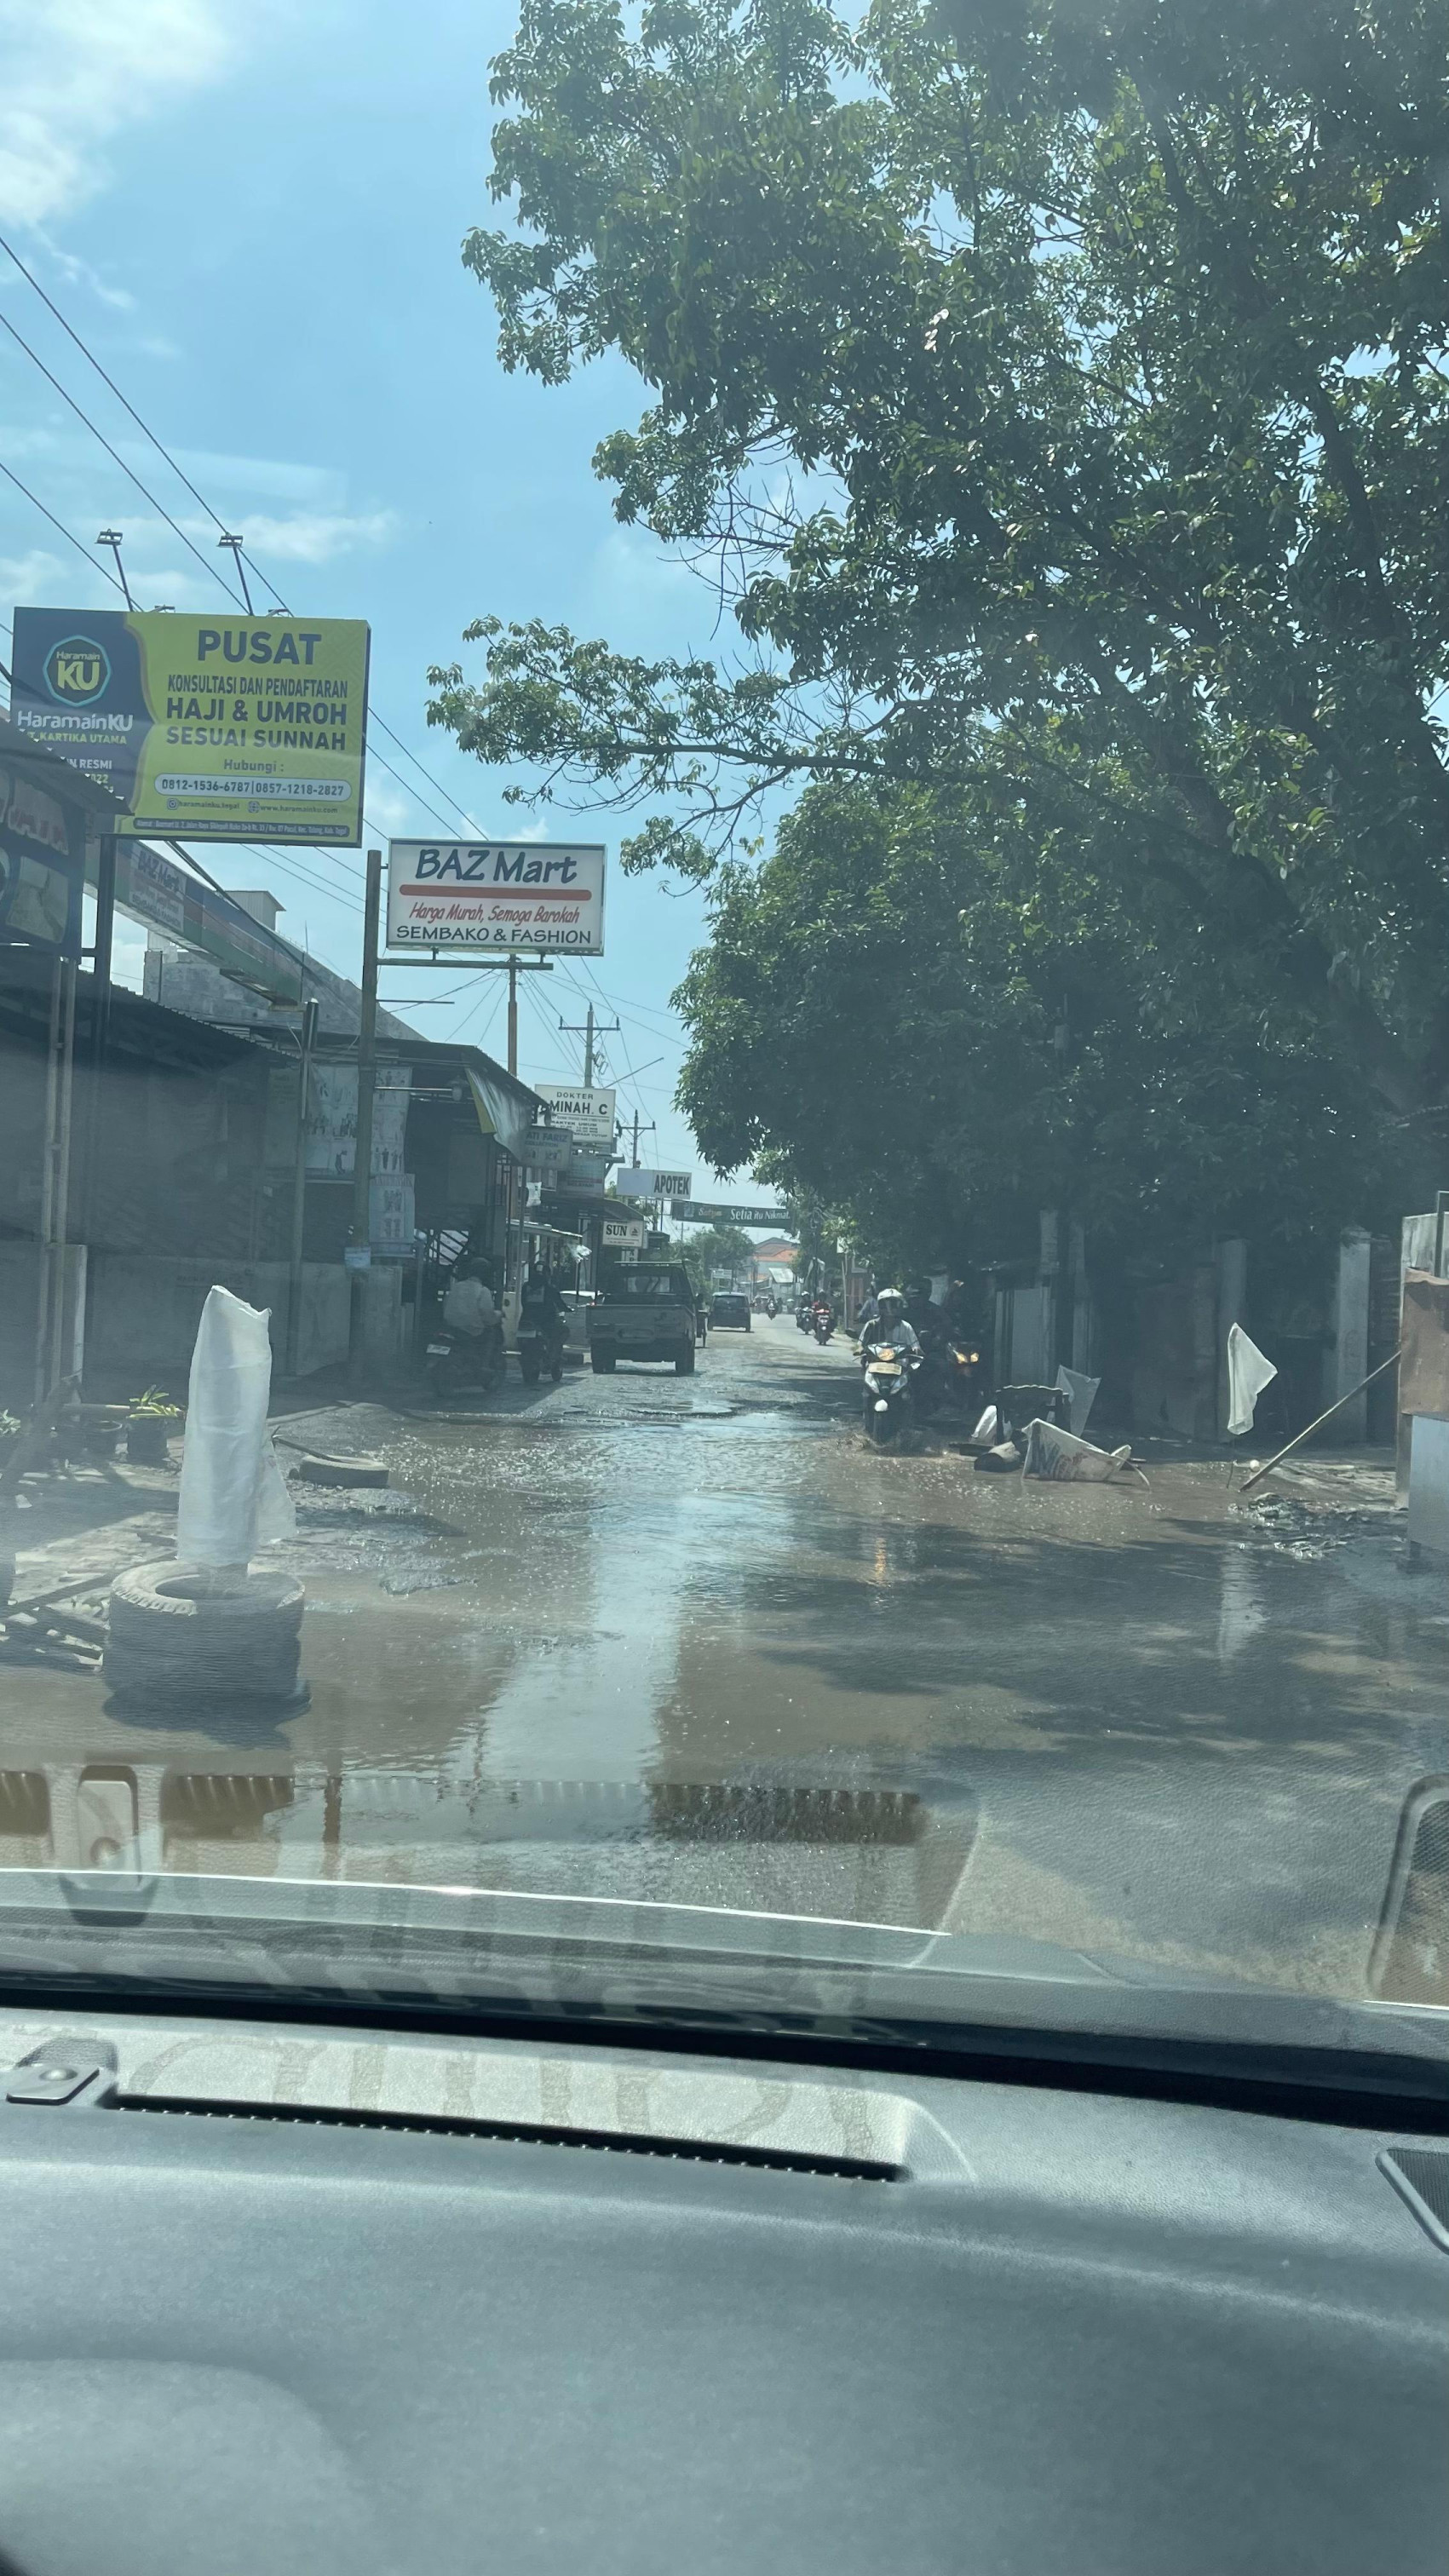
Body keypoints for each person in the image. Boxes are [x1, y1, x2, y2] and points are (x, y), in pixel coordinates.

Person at [859, 1287, 921, 1366]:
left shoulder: (906, 1326)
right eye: (884, 1305)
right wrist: (858, 1350)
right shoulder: (871, 1325)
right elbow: (860, 1344)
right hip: (875, 1364)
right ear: (880, 1307)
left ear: (900, 1307)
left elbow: (915, 1345)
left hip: (899, 1366)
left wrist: (916, 1349)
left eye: (893, 1305)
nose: (889, 1309)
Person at [443, 1260, 497, 1339]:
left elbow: (446, 1307)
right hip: (473, 1334)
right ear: (485, 1275)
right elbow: (488, 1317)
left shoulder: (456, 1286)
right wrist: (497, 1316)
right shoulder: (483, 1291)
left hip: (451, 1329)